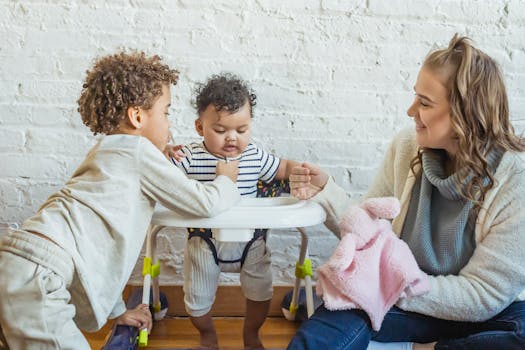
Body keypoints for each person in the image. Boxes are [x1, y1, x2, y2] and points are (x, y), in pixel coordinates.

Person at [287, 34, 525, 350]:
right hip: (406, 299)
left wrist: (392, 283)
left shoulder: (514, 180)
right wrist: (326, 191)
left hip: (478, 310)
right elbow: (369, 235)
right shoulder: (407, 146)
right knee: (340, 309)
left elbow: (485, 294)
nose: (411, 110)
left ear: (465, 114)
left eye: (425, 102)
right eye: (416, 97)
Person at [0, 52, 241, 349]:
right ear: (137, 116)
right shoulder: (139, 152)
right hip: (39, 274)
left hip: (20, 260)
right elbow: (204, 203)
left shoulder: (106, 152)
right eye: (165, 112)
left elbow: (101, 252)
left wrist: (118, 313)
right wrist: (226, 179)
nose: (168, 123)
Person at [166, 73, 299, 349]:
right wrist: (166, 153)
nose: (231, 138)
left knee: (261, 293)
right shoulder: (190, 157)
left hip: (251, 240)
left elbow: (282, 169)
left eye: (241, 130)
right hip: (205, 240)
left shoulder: (254, 155)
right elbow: (164, 178)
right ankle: (207, 336)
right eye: (220, 130)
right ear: (200, 127)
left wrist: (299, 172)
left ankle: (251, 336)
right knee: (196, 299)